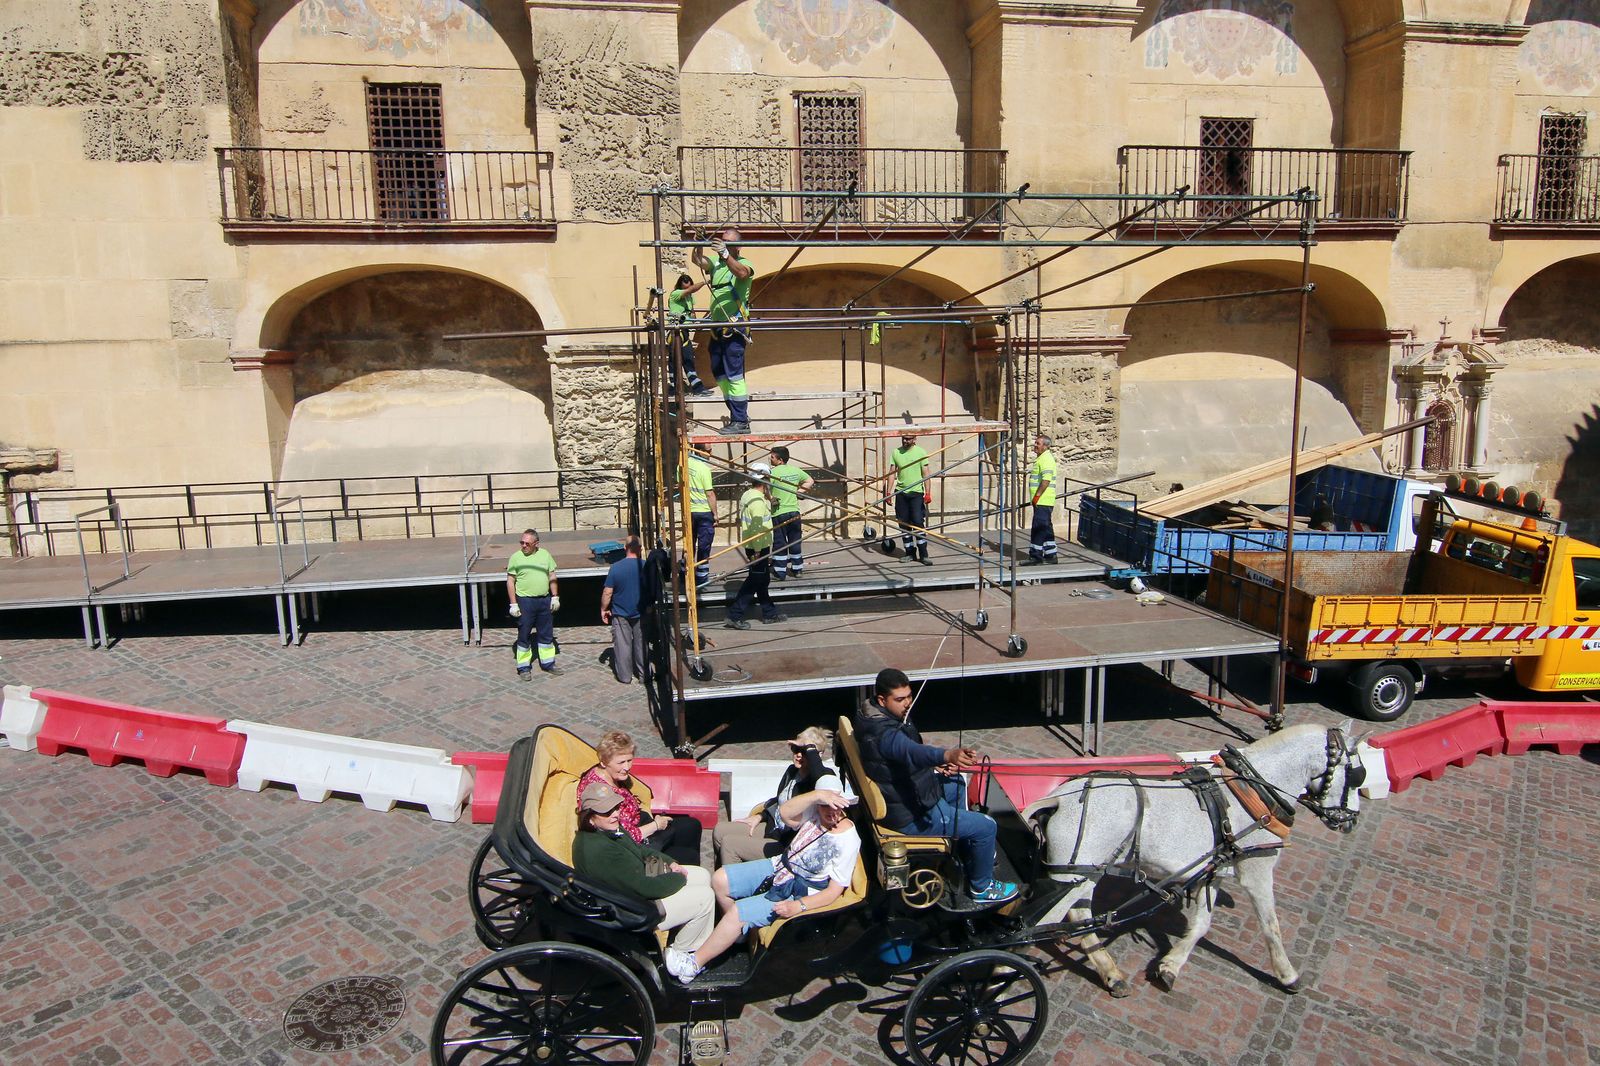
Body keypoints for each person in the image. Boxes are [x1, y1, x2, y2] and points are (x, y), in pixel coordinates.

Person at [853, 668, 1018, 903]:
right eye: (900, 699)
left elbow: (898, 760)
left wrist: (935, 767)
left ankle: (962, 845)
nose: (908, 703)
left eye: (909, 696)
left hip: (902, 793)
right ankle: (982, 888)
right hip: (909, 814)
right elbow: (909, 750)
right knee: (987, 826)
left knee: (956, 783)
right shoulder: (884, 734)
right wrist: (946, 755)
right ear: (882, 699)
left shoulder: (873, 713)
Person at [666, 784, 858, 985]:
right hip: (780, 866)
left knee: (739, 912)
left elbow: (833, 891)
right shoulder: (813, 811)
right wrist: (816, 795)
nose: (830, 812)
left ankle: (693, 965)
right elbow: (785, 812)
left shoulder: (848, 839)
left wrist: (798, 906)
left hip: (798, 890)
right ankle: (737, 934)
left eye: (834, 806)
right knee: (720, 880)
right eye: (824, 806)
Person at [572, 781, 716, 970]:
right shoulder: (598, 850)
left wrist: (669, 865)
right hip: (635, 908)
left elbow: (640, 852)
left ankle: (690, 938)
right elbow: (644, 887)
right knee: (705, 898)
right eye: (606, 812)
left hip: (639, 882)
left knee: (703, 875)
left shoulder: (609, 829)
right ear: (590, 818)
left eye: (615, 807)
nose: (615, 813)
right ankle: (681, 958)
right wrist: (677, 876)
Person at [577, 731, 704, 866]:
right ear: (603, 762)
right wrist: (656, 825)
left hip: (641, 824)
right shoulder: (598, 792)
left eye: (629, 761)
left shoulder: (612, 775)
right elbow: (622, 836)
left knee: (692, 826)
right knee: (689, 856)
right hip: (633, 847)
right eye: (620, 762)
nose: (626, 767)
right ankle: (679, 874)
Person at [711, 726, 833, 864]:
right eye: (796, 749)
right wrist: (760, 816)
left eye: (804, 751)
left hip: (788, 844)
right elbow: (779, 799)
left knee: (730, 844)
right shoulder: (792, 771)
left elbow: (821, 777)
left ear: (816, 755)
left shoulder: (821, 779)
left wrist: (810, 748)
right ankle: (724, 875)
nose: (799, 755)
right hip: (773, 828)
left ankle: (730, 882)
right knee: (719, 831)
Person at [692, 226, 755, 435]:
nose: (723, 244)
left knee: (735, 375)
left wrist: (726, 254)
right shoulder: (718, 265)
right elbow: (698, 261)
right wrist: (698, 243)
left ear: (737, 246)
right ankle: (738, 415)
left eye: (728, 242)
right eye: (722, 241)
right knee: (720, 374)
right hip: (717, 328)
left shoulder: (743, 264)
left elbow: (742, 273)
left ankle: (740, 420)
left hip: (734, 328)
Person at [725, 465, 787, 630]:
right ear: (765, 480)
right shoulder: (758, 501)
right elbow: (757, 528)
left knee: (762, 579)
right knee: (754, 581)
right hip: (758, 546)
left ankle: (769, 613)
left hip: (753, 545)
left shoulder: (748, 495)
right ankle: (734, 615)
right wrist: (759, 550)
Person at [506, 528, 559, 678]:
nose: (523, 546)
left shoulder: (545, 555)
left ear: (536, 543)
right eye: (521, 542)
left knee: (546, 634)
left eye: (527, 543)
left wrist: (555, 596)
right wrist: (513, 603)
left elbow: (552, 575)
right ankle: (523, 668)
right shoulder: (516, 558)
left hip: (544, 600)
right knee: (524, 634)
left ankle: (548, 663)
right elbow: (510, 581)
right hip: (525, 601)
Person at [601, 535, 647, 684]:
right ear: (640, 549)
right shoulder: (645, 566)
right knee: (642, 644)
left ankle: (625, 676)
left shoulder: (616, 567)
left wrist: (604, 608)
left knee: (622, 646)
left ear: (624, 548)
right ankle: (644, 675)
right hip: (641, 611)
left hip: (621, 613)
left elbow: (608, 592)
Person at [767, 446, 814, 581]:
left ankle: (780, 571)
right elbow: (810, 481)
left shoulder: (772, 472)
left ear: (780, 460)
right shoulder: (796, 470)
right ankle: (797, 569)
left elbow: (765, 488)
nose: (771, 459)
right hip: (794, 512)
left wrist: (770, 498)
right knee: (795, 541)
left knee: (780, 542)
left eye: (772, 457)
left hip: (779, 512)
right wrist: (800, 492)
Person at [890, 431, 934, 566]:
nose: (905, 441)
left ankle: (923, 554)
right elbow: (892, 472)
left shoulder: (921, 452)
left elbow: (926, 473)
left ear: (915, 439)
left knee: (917, 522)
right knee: (903, 524)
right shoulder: (896, 452)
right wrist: (888, 492)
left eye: (908, 439)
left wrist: (928, 492)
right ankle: (909, 552)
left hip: (916, 493)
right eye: (904, 438)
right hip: (901, 492)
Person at [666, 273, 713, 397]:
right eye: (685, 288)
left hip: (684, 331)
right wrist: (705, 282)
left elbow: (692, 313)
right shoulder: (675, 294)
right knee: (674, 360)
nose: (688, 290)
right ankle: (672, 390)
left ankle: (697, 388)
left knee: (688, 359)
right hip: (675, 330)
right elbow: (691, 290)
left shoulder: (689, 297)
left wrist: (697, 323)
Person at [1023, 434, 1058, 566]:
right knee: (1046, 527)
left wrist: (1037, 496)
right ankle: (1051, 554)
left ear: (1046, 446)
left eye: (1038, 443)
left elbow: (1046, 480)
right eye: (1036, 443)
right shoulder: (1042, 458)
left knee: (1038, 528)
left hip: (1043, 500)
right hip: (1043, 500)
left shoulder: (1046, 459)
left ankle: (1035, 556)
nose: (1035, 445)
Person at [687, 442, 717, 588]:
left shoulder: (684, 464)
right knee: (704, 545)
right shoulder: (704, 469)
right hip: (704, 511)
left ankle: (685, 571)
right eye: (708, 450)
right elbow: (710, 493)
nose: (710, 453)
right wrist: (716, 514)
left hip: (690, 510)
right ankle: (701, 576)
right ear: (698, 451)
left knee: (689, 544)